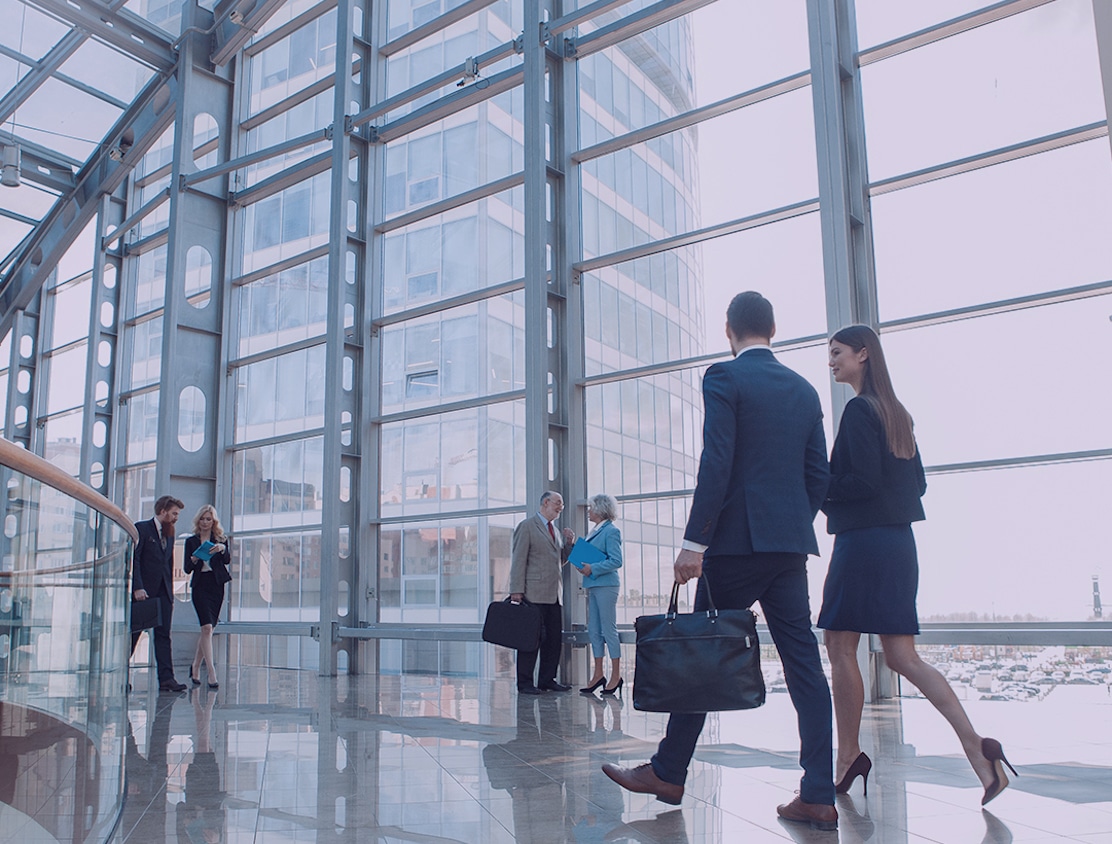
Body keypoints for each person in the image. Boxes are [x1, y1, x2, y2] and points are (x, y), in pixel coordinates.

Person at [601, 291, 838, 831]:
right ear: (773, 329)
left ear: (729, 329)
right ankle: (819, 793)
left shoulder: (724, 378)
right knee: (804, 667)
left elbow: (718, 459)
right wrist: (788, 522)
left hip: (731, 546)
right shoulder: (803, 391)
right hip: (787, 548)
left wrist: (695, 543)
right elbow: (818, 476)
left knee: (703, 653)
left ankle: (668, 771)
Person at [818, 324, 1016, 806]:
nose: (831, 361)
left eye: (837, 352)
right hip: (898, 546)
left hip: (863, 545)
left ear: (863, 354)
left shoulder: (858, 411)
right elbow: (918, 486)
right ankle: (978, 747)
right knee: (903, 656)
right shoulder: (898, 414)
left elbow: (860, 481)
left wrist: (816, 485)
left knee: (840, 646)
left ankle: (847, 758)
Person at [509, 490, 574, 694]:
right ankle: (525, 683)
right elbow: (519, 560)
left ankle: (547, 680)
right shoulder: (527, 526)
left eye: (561, 505)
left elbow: (558, 562)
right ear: (545, 502)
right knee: (530, 639)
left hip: (554, 594)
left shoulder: (554, 531)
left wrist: (569, 544)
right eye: (558, 503)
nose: (560, 508)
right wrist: (516, 591)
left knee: (553, 639)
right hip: (533, 594)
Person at [131, 494, 187, 692]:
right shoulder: (142, 528)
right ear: (162, 511)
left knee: (164, 636)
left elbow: (168, 564)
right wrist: (137, 587)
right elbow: (135, 559)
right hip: (144, 592)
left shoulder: (170, 533)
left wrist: (170, 593)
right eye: (174, 513)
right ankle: (120, 676)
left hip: (164, 592)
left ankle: (166, 679)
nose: (176, 518)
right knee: (134, 635)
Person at [575, 493, 624, 696]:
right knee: (594, 629)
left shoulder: (611, 531)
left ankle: (616, 675)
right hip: (593, 585)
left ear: (600, 509)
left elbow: (616, 561)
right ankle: (598, 674)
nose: (588, 511)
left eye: (591, 508)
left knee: (608, 629)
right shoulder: (595, 531)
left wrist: (592, 568)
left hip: (606, 585)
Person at [184, 504, 231, 690]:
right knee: (206, 627)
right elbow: (187, 568)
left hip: (216, 585)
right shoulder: (191, 541)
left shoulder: (220, 539)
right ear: (198, 520)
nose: (205, 522)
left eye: (208, 519)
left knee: (208, 630)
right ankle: (211, 671)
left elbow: (227, 560)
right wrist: (194, 560)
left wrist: (222, 549)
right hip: (200, 585)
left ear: (214, 521)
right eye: (202, 519)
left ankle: (195, 666)